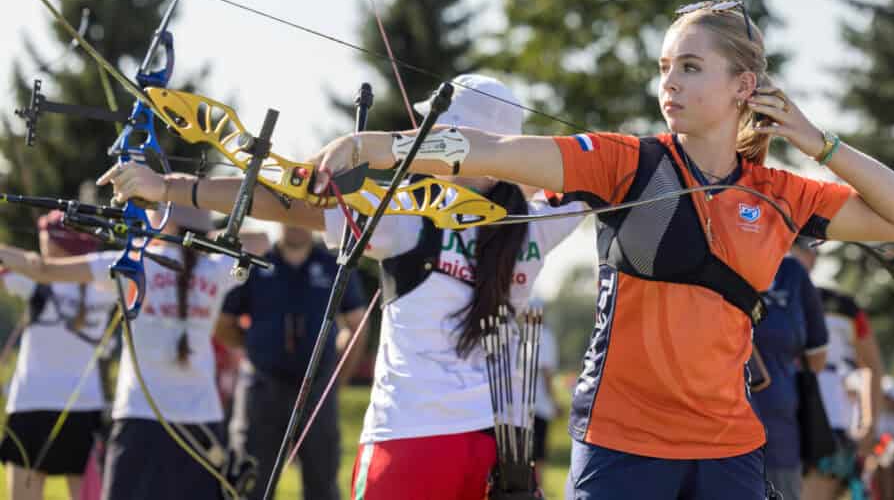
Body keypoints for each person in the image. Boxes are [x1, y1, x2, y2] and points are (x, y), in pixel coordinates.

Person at [298, 0, 894, 499]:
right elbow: (489, 151)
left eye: (690, 67)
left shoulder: (779, 193)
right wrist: (373, 148)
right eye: (665, 69)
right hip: (622, 447)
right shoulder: (626, 162)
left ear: (745, 85)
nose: (670, 84)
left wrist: (815, 139)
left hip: (730, 449)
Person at [98, 73, 586, 500]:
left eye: (434, 130)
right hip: (495, 450)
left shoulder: (405, 217)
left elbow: (282, 203)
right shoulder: (540, 221)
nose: (418, 136)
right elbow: (594, 171)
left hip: (410, 440)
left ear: (460, 139)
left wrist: (167, 188)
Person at [0, 206, 268, 500]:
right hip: (201, 422)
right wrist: (200, 238)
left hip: (140, 418)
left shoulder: (132, 262)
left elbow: (43, 269)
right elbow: (261, 240)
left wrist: (179, 238)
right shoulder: (215, 268)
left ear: (165, 223)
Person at [216, 224, 368, 500]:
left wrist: (337, 378)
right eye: (290, 215)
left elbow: (357, 324)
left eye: (304, 215)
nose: (298, 223)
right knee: (249, 481)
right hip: (261, 389)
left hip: (315, 390)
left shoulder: (335, 263)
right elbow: (224, 322)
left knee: (322, 483)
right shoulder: (257, 261)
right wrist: (254, 346)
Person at [0, 211, 115, 500]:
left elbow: (25, 267)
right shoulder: (105, 285)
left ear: (54, 243)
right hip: (84, 408)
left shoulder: (32, 280)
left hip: (31, 404)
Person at [802, 238, 885, 500]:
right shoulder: (752, 294)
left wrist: (869, 425)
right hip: (771, 417)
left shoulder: (843, 306)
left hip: (828, 422)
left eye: (800, 248)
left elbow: (871, 365)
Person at [750, 239, 830, 500]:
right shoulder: (710, 257)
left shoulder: (792, 272)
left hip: (779, 431)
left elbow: (816, 357)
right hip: (710, 431)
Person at [530, 310, 564, 486]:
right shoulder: (544, 336)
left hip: (528, 405)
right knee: (538, 454)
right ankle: (537, 489)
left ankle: (535, 489)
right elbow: (547, 372)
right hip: (540, 406)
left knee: (532, 453)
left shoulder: (527, 335)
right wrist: (555, 402)